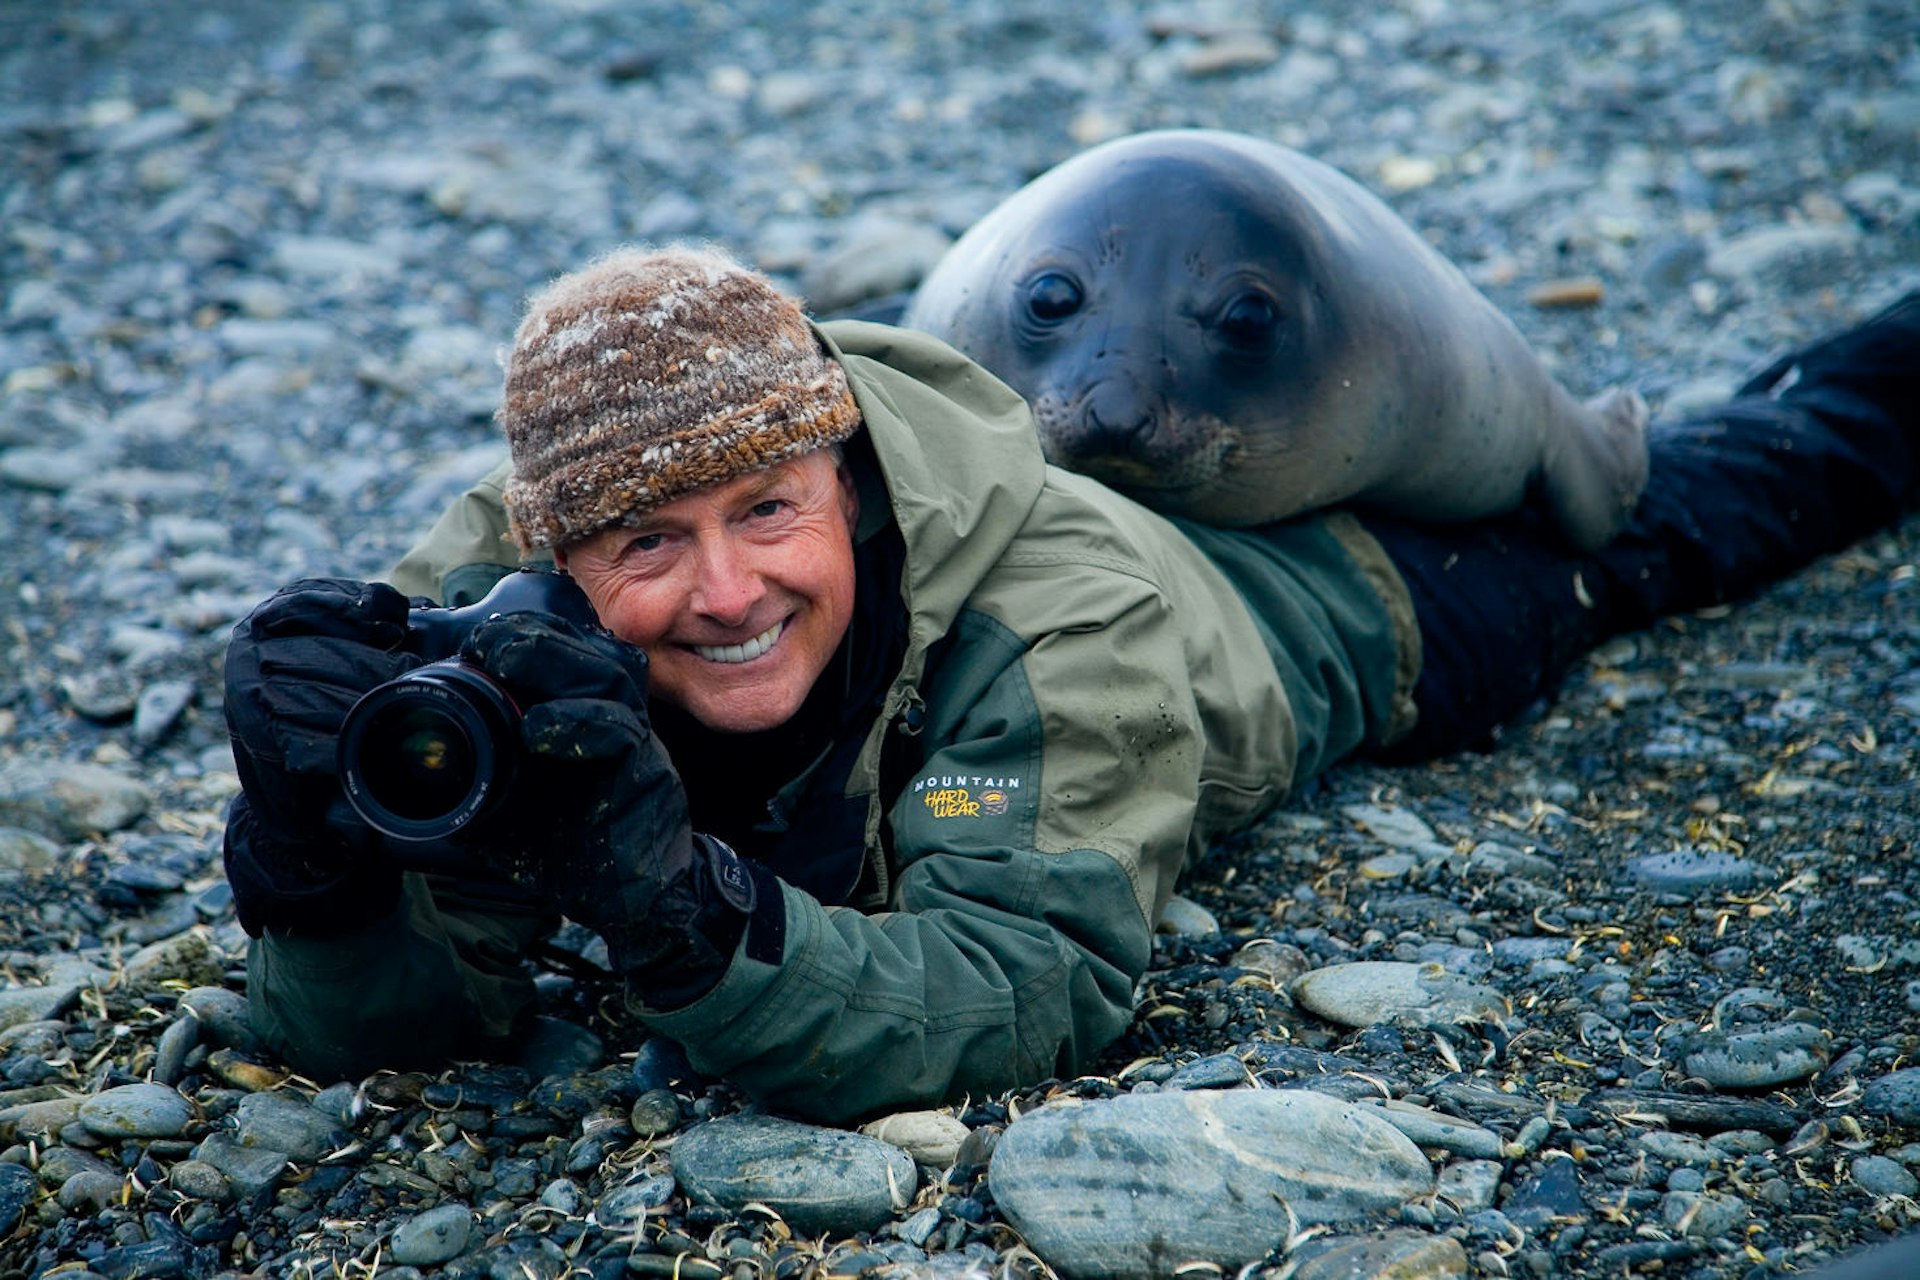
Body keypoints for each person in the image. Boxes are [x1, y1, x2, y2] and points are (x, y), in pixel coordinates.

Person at [221, 244, 1920, 1122]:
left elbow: (1029, 981)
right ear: (554, 548)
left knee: (1700, 498)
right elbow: (409, 1026)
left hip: (1345, 598)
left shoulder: (1057, 617)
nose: (726, 593)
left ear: (850, 488)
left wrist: (676, 909)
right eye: (650, 547)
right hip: (1106, 438)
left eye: (767, 512)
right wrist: (313, 858)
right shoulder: (489, 614)